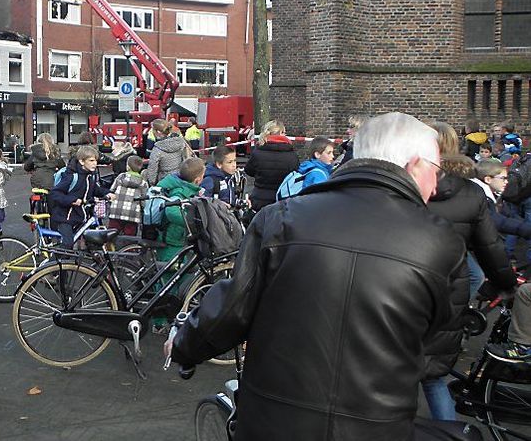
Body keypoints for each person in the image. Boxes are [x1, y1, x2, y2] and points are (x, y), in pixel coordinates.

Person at [168, 112, 467, 440]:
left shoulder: (281, 218)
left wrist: (184, 346)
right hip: (376, 425)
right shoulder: (441, 241)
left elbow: (231, 308)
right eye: (435, 169)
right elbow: (438, 337)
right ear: (413, 165)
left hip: (273, 423)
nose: (436, 184)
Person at [423, 122, 517, 421]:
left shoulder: (407, 185)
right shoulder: (471, 191)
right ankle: (447, 432)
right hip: (449, 291)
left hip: (405, 286)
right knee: (433, 375)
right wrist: (507, 286)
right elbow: (491, 246)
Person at [153, 157, 206, 332]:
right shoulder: (179, 191)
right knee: (167, 282)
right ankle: (159, 322)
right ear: (198, 178)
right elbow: (171, 211)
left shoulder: (186, 188)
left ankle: (171, 315)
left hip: (177, 241)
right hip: (172, 242)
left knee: (178, 279)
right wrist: (191, 222)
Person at [49, 145, 115, 249]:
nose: (95, 164)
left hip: (80, 217)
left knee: (91, 243)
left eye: (96, 161)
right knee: (67, 244)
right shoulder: (71, 176)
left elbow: (95, 190)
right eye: (91, 160)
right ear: (82, 162)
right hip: (65, 218)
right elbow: (55, 193)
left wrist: (107, 193)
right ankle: (51, 265)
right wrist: (72, 200)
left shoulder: (90, 176)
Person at [243, 120, 299, 210]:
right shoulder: (291, 155)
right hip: (282, 199)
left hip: (260, 198)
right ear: (281, 133)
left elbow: (249, 170)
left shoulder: (258, 152)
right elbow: (295, 174)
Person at [107, 154, 148, 237]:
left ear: (127, 167)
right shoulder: (143, 183)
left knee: (112, 233)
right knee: (129, 236)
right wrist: (143, 210)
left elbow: (112, 190)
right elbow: (144, 200)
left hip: (116, 210)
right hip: (133, 214)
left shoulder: (121, 177)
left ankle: (111, 248)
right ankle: (128, 249)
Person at [23, 132, 65, 213]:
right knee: (53, 200)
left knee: (37, 195)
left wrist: (32, 169)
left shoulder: (35, 153)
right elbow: (62, 167)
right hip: (51, 180)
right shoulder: (55, 153)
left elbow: (27, 167)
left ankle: (35, 213)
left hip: (36, 180)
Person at [144, 119, 193, 186]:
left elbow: (152, 169)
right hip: (180, 179)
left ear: (158, 132)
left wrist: (152, 183)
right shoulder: (181, 142)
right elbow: (186, 158)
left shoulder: (158, 149)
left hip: (164, 182)